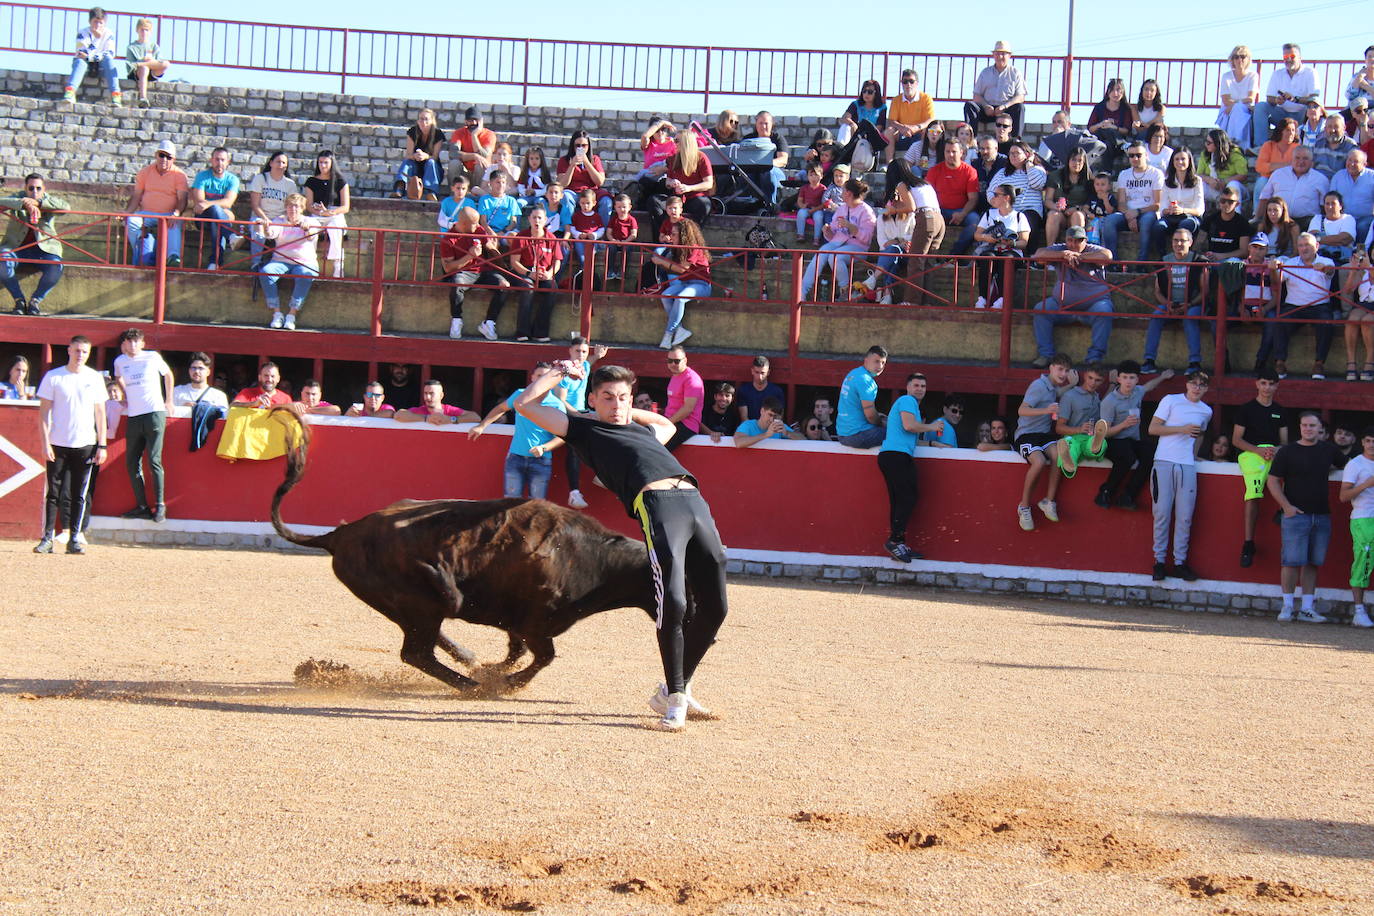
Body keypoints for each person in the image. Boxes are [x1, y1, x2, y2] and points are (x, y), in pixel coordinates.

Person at [514, 362, 729, 731]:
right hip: (658, 507)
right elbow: (527, 405)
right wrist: (559, 374)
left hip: (694, 502)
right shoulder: (581, 427)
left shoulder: (643, 430)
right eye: (608, 397)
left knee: (716, 607)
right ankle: (676, 697)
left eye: (623, 397)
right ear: (593, 399)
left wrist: (629, 409)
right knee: (673, 602)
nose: (616, 404)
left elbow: (668, 425)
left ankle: (675, 688)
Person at [33, 335, 107, 555]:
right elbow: (44, 414)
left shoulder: (94, 378)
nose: (80, 355)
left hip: (85, 443)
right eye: (77, 351)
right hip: (58, 442)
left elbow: (100, 413)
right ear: (69, 350)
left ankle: (74, 538)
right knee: (53, 493)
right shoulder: (54, 377)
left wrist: (102, 445)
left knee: (79, 494)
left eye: (84, 352)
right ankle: (47, 538)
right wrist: (45, 442)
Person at [1268, 411, 1340, 622]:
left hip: (1321, 514)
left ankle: (1307, 608)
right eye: (1305, 425)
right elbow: (1272, 481)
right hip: (1295, 514)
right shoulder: (1288, 451)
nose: (1308, 429)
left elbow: (1350, 464)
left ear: (1320, 429)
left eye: (1312, 425)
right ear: (1300, 427)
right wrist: (1286, 507)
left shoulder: (1329, 450)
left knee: (1312, 562)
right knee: (1290, 561)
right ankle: (1287, 606)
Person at [1148, 369, 1212, 581]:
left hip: (1186, 464)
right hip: (1164, 460)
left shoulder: (1206, 411)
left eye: (1201, 385)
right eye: (1193, 383)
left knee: (1185, 516)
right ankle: (1159, 561)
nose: (1196, 388)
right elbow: (1153, 428)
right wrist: (1181, 429)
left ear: (1206, 388)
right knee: (1162, 513)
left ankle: (1179, 562)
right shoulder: (1171, 400)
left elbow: (1199, 435)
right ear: (1187, 384)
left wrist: (1193, 455)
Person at [469, 362, 565, 500]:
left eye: (545, 377)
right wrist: (482, 426)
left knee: (536, 506)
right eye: (539, 376)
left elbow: (562, 436)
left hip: (541, 460)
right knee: (510, 503)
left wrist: (544, 447)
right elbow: (501, 408)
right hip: (516, 457)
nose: (541, 380)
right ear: (532, 378)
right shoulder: (521, 395)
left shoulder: (556, 405)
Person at [877, 372, 945, 561]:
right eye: (916, 385)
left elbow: (909, 434)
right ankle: (894, 541)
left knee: (901, 499)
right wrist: (932, 427)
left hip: (894, 455)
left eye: (923, 386)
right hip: (896, 456)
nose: (920, 389)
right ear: (908, 387)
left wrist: (933, 443)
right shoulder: (908, 400)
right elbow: (909, 426)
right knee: (908, 498)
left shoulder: (909, 404)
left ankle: (898, 543)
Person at [111, 328, 173, 521]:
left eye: (136, 341)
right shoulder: (120, 361)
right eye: (129, 342)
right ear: (124, 344)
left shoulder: (152, 357)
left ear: (143, 343)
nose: (133, 345)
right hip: (134, 415)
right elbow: (117, 377)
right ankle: (142, 505)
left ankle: (160, 505)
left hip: (154, 411)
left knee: (154, 460)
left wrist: (169, 400)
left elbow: (168, 375)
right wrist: (125, 395)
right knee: (131, 462)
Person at [1030, 225, 1114, 367]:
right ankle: (1046, 355)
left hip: (1094, 305)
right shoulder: (1061, 248)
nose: (1073, 244)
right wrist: (1063, 254)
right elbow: (1038, 255)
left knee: (1105, 311)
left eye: (1078, 241)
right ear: (1066, 240)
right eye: (1070, 240)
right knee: (1040, 309)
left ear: (1085, 241)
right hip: (1061, 305)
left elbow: (1107, 256)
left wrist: (1079, 257)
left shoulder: (1093, 249)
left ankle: (1095, 358)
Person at [1096, 360, 1172, 509]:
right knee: (1127, 457)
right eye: (1124, 377)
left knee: (1152, 454)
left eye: (1132, 378)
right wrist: (1123, 424)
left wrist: (1162, 377)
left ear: (1137, 379)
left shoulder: (1137, 391)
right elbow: (1103, 433)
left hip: (1132, 440)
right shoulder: (1109, 401)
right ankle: (1105, 492)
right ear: (1118, 379)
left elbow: (1148, 387)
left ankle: (1128, 496)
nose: (1128, 382)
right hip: (1112, 440)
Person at [1233, 369, 1288, 569]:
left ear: (1276, 386)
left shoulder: (1280, 410)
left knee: (1294, 468)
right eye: (1263, 383)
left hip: (1273, 454)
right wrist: (1257, 450)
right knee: (1254, 493)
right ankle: (1248, 543)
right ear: (1257, 384)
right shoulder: (1246, 409)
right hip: (1251, 455)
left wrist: (1275, 451)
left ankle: (1282, 509)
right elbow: (1236, 440)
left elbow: (1284, 442)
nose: (1267, 387)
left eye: (1271, 383)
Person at [1013, 353, 1075, 531]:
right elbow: (1022, 410)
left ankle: (1048, 501)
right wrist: (1046, 410)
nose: (1063, 373)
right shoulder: (1038, 385)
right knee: (1039, 462)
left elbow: (1056, 393)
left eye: (1067, 370)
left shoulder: (1051, 386)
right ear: (1051, 368)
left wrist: (1071, 384)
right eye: (1060, 369)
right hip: (1026, 435)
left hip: (1043, 435)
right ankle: (1024, 506)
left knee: (1060, 455)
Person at [1143, 228, 1209, 375]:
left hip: (1193, 304)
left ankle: (1194, 362)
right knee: (1155, 316)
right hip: (1170, 304)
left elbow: (1205, 291)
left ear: (1190, 243)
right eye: (1175, 240)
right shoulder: (1164, 261)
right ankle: (1149, 361)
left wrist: (1189, 304)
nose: (1178, 243)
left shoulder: (1198, 261)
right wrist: (1167, 304)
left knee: (1190, 317)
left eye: (1182, 240)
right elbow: (1157, 291)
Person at [0, 173, 68, 315]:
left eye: (38, 188)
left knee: (56, 267)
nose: (34, 192)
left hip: (44, 250)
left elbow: (65, 207)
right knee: (2, 261)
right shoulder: (18, 197)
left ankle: (35, 301)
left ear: (44, 189)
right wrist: (25, 204)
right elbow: (2, 201)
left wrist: (39, 204)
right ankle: (19, 300)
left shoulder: (48, 199)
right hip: (16, 248)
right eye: (31, 188)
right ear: (25, 188)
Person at [1273, 232, 1337, 380]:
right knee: (1279, 321)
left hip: (1319, 306)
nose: (1304, 248)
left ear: (1317, 246)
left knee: (1326, 323)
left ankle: (1319, 364)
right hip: (1294, 306)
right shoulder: (1290, 262)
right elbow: (1278, 281)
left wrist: (1324, 268)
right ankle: (1280, 362)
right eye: (1300, 245)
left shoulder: (1327, 261)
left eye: (1307, 245)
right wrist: (1273, 269)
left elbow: (1330, 271)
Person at [553, 336, 608, 509]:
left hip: (580, 414)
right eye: (577, 351)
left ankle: (603, 475)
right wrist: (579, 414)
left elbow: (588, 362)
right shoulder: (564, 371)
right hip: (564, 415)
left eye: (584, 351)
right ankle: (574, 492)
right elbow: (560, 400)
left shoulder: (583, 366)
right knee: (575, 448)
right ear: (570, 351)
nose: (581, 355)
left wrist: (597, 356)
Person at [255, 193, 322, 330]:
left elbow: (312, 237)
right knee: (266, 272)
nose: (293, 209)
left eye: (296, 206)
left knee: (306, 275)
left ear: (302, 208)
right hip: (281, 260)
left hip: (305, 261)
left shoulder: (312, 221)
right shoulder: (279, 220)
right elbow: (271, 234)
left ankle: (292, 314)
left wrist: (306, 229)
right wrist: (267, 227)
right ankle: (277, 313)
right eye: (290, 206)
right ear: (286, 207)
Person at [649, 201, 711, 349]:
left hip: (700, 284)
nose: (672, 236)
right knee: (666, 296)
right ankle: (680, 330)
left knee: (681, 298)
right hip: (685, 284)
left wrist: (661, 262)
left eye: (675, 234)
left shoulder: (693, 248)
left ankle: (668, 334)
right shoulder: (678, 248)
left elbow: (682, 269)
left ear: (683, 236)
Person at [439, 205, 500, 339]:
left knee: (505, 285)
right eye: (474, 223)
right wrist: (470, 256)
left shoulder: (478, 229)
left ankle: (489, 322)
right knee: (457, 284)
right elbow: (448, 268)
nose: (478, 225)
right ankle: (456, 320)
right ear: (465, 223)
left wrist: (494, 248)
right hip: (464, 272)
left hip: (484, 270)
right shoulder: (448, 239)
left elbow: (490, 247)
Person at [125, 140, 188, 267]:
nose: (164, 159)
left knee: (174, 223)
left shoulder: (180, 175)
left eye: (168, 157)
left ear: (173, 159)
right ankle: (137, 247)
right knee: (130, 220)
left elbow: (183, 200)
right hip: (146, 214)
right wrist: (126, 213)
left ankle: (173, 257)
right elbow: (137, 196)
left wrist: (175, 213)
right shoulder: (144, 172)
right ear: (156, 155)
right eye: (162, 155)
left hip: (168, 214)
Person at [1099, 142, 1164, 265]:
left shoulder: (1156, 174)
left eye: (1139, 155)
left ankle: (1141, 263)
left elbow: (1157, 204)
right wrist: (1130, 217)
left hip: (1148, 212)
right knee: (1109, 221)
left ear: (1146, 156)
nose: (1135, 158)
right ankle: (1112, 262)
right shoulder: (1124, 175)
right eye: (1131, 155)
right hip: (1128, 214)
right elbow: (1121, 203)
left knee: (1146, 221)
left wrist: (1137, 212)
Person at [972, 183, 1029, 311]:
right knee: (988, 257)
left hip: (1011, 251)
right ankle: (982, 298)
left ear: (1006, 198)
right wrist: (987, 238)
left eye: (996, 195)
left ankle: (1002, 299)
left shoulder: (1020, 217)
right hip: (991, 248)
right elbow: (977, 235)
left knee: (1007, 259)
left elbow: (1024, 242)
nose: (993, 198)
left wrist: (1011, 243)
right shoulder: (989, 214)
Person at [1252, 43, 1321, 149]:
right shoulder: (1277, 74)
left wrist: (1295, 99)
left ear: (1300, 58)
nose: (1288, 59)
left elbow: (1314, 98)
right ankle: (1260, 147)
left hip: (1301, 115)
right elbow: (1269, 98)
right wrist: (1277, 100)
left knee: (1311, 107)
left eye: (1292, 56)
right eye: (1285, 57)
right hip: (1282, 114)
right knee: (1260, 106)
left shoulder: (1311, 72)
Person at [509, 206, 562, 343]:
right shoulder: (521, 236)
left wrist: (550, 274)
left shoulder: (552, 238)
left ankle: (540, 332)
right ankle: (522, 332)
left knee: (552, 289)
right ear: (529, 219)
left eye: (540, 218)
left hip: (544, 272)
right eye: (534, 217)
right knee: (527, 288)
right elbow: (514, 263)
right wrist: (529, 273)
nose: (537, 221)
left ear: (545, 220)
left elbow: (557, 262)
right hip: (524, 271)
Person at [1339, 425, 1374, 628]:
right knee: (1363, 561)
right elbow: (1343, 496)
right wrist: (1366, 485)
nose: (1371, 445)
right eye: (1368, 441)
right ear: (1362, 442)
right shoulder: (1355, 464)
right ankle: (1359, 611)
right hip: (1363, 518)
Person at [1053, 364, 1110, 480]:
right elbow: (1058, 428)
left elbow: (1109, 399)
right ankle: (1068, 462)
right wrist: (1079, 429)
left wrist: (1113, 385)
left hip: (1089, 439)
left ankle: (1096, 444)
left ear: (1102, 381)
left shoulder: (1097, 398)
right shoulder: (1070, 396)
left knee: (1101, 442)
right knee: (1070, 447)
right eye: (1090, 378)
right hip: (1073, 437)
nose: (1093, 383)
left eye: (1097, 380)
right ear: (1085, 376)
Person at [187, 147, 240, 271]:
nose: (219, 163)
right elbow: (200, 203)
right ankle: (231, 236)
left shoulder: (233, 180)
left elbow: (229, 202)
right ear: (211, 160)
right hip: (202, 218)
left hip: (220, 220)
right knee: (217, 214)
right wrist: (218, 207)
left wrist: (210, 204)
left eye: (223, 160)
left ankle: (214, 263)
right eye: (217, 159)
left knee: (217, 223)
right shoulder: (202, 176)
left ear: (228, 162)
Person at [302, 150, 350, 278]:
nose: (322, 165)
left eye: (326, 163)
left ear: (332, 163)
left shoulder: (341, 181)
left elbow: (345, 207)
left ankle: (338, 266)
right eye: (320, 162)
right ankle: (310, 264)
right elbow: (308, 205)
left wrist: (330, 212)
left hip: (334, 214)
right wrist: (319, 211)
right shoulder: (311, 181)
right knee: (310, 227)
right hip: (317, 214)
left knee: (336, 226)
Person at [965, 40, 1026, 137]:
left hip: (1005, 111)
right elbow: (976, 95)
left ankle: (1016, 140)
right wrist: (986, 106)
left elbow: (1020, 96)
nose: (1000, 57)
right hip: (987, 110)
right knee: (970, 106)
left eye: (1003, 54)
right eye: (997, 54)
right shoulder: (985, 72)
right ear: (993, 55)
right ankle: (971, 139)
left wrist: (1004, 106)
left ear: (1009, 55)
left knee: (1019, 108)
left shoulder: (1015, 73)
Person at [62, 7, 120, 106]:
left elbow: (109, 53)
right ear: (90, 21)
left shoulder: (109, 34)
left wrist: (90, 57)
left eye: (100, 23)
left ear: (104, 23)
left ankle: (116, 95)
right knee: (80, 61)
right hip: (85, 62)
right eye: (95, 22)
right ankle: (70, 92)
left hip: (100, 63)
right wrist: (96, 39)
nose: (98, 25)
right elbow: (81, 52)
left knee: (109, 60)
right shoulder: (82, 33)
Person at [926, 140, 980, 246]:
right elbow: (927, 196)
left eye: (954, 151)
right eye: (947, 151)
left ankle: (954, 255)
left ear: (961, 152)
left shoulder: (970, 171)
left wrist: (962, 214)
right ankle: (929, 255)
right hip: (939, 211)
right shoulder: (934, 170)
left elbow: (973, 199)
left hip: (962, 211)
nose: (950, 154)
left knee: (975, 221)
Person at [1259, 146, 1329, 226]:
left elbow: (1324, 206)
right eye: (1297, 158)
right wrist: (1258, 218)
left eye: (1305, 158)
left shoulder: (1321, 179)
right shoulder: (1278, 174)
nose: (1301, 161)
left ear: (1311, 162)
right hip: (1279, 220)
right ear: (1291, 160)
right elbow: (1264, 198)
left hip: (1307, 222)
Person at [837, 345, 888, 449]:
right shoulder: (866, 381)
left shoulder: (853, 373)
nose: (880, 366)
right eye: (876, 361)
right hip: (857, 435)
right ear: (866, 360)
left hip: (842, 434)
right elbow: (870, 415)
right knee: (898, 432)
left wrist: (878, 415)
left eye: (883, 363)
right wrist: (881, 422)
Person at [1043, 146, 1095, 245]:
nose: (1077, 163)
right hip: (1059, 213)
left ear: (1084, 163)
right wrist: (1057, 207)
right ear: (1068, 161)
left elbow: (1091, 202)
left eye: (1080, 160)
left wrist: (1077, 208)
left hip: (1079, 212)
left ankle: (1077, 251)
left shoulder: (1089, 179)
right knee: (1053, 215)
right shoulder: (1056, 175)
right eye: (1074, 160)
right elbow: (1048, 200)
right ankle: (1049, 250)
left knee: (1078, 216)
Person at [556, 130, 612, 221]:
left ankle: (602, 230)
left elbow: (600, 181)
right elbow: (562, 184)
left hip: (591, 192)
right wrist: (572, 165)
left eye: (584, 145)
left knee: (606, 201)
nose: (580, 148)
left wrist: (587, 163)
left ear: (588, 146)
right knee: (565, 197)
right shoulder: (564, 160)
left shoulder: (595, 159)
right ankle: (568, 229)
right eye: (577, 145)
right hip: (572, 192)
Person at [884, 71, 935, 163]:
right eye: (905, 81)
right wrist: (902, 128)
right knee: (889, 131)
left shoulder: (926, 98)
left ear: (917, 83)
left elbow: (930, 120)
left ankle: (923, 164)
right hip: (902, 134)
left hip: (919, 133)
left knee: (927, 131)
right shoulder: (896, 100)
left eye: (911, 81)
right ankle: (890, 164)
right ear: (901, 84)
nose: (908, 84)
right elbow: (891, 120)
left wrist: (916, 127)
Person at [394, 108, 445, 200]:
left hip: (431, 170)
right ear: (418, 120)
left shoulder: (438, 134)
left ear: (432, 121)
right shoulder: (412, 132)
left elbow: (435, 156)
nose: (423, 122)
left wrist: (425, 156)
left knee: (431, 162)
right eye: (421, 119)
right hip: (415, 168)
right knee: (407, 161)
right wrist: (414, 156)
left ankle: (431, 192)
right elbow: (408, 154)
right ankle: (400, 187)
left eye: (426, 119)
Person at [742, 111, 790, 207]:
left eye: (766, 123)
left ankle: (771, 205)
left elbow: (783, 160)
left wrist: (765, 164)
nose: (763, 126)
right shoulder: (748, 139)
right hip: (753, 171)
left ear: (772, 124)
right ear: (756, 124)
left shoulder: (777, 139)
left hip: (774, 171)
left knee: (767, 172)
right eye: (761, 123)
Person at [1036, 110, 1106, 174]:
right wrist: (1053, 138)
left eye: (1060, 122)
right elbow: (1043, 158)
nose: (1057, 125)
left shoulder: (1078, 136)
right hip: (1055, 173)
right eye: (1054, 122)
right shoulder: (1048, 140)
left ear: (1069, 124)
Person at [662, 346, 704, 451]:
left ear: (685, 360)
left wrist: (668, 422)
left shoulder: (692, 379)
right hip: (673, 422)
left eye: (676, 361)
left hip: (685, 425)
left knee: (657, 449)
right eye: (670, 361)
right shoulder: (676, 376)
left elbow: (688, 409)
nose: (672, 364)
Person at [1342, 245, 1374, 381]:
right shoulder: (1364, 269)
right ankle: (1351, 362)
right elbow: (1348, 290)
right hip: (1363, 304)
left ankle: (1369, 363)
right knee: (1352, 319)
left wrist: (1369, 268)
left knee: (1367, 321)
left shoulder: (1368, 268)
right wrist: (1354, 271)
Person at [1087, 79, 1133, 174]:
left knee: (1108, 139)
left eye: (1119, 90)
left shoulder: (1125, 109)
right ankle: (1123, 145)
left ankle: (1106, 172)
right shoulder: (1099, 107)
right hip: (1100, 140)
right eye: (1113, 90)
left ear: (1123, 92)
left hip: (1115, 144)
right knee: (1105, 133)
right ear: (1108, 92)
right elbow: (1090, 128)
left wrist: (1114, 127)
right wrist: (1101, 124)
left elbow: (1127, 130)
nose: (1116, 93)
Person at [834, 79, 888, 160]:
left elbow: (880, 127)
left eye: (870, 92)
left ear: (876, 93)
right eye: (864, 91)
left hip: (871, 136)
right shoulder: (855, 104)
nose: (866, 94)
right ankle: (840, 150)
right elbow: (845, 118)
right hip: (855, 134)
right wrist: (852, 124)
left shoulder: (882, 108)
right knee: (845, 126)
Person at [1217, 45, 1258, 145]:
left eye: (1243, 56)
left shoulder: (1253, 76)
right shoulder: (1226, 76)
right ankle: (1239, 143)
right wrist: (1236, 104)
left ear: (1248, 59)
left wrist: (1235, 104)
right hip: (1227, 110)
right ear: (1232, 60)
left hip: (1244, 109)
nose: (1239, 59)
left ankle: (1232, 141)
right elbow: (1226, 100)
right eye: (1236, 57)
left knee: (1238, 109)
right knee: (1237, 109)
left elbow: (1251, 98)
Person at [1331, 150, 1374, 245]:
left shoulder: (1372, 177)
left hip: (1364, 218)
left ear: (1364, 164)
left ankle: (1360, 253)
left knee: (1362, 226)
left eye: (1356, 161)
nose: (1351, 164)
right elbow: (1331, 198)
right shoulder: (1338, 176)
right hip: (1343, 217)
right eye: (1349, 160)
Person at [124, 18, 168, 109]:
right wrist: (142, 62)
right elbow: (130, 66)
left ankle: (143, 64)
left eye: (147, 30)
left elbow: (160, 62)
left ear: (150, 32)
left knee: (166, 64)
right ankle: (143, 98)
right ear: (137, 30)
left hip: (152, 71)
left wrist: (149, 61)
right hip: (137, 73)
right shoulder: (132, 47)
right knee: (144, 68)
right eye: (142, 30)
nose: (144, 32)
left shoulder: (154, 46)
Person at [393, 379, 479, 425]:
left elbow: (476, 417)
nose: (427, 397)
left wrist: (450, 420)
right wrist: (426, 419)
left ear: (441, 395)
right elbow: (398, 415)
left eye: (431, 393)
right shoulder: (419, 410)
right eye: (425, 393)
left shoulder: (449, 410)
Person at [449, 107, 497, 187]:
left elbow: (484, 156)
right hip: (464, 172)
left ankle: (478, 196)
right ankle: (454, 196)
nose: (474, 123)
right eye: (470, 120)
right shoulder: (458, 133)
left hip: (481, 174)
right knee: (454, 163)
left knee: (480, 165)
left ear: (481, 121)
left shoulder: (489, 135)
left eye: (476, 120)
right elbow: (453, 154)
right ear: (465, 121)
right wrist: (474, 156)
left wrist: (474, 135)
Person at [733, 396, 803, 448]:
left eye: (775, 416)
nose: (772, 419)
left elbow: (804, 440)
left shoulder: (779, 427)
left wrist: (787, 433)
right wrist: (766, 435)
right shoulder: (748, 425)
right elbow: (738, 442)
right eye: (770, 415)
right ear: (762, 411)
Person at [736, 356, 783, 422]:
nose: (760, 377)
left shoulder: (777, 391)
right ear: (752, 371)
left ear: (768, 372)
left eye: (762, 373)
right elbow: (744, 420)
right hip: (750, 429)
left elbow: (778, 418)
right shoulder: (743, 391)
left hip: (770, 427)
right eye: (757, 372)